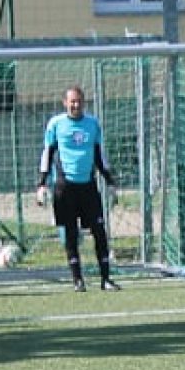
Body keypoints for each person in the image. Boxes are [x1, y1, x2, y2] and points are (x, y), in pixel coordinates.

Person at [35, 86, 119, 292]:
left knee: (99, 231)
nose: (76, 105)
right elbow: (47, 154)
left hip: (88, 187)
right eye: (72, 101)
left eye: (79, 101)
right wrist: (42, 184)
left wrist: (110, 182)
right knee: (71, 233)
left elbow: (99, 155)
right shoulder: (56, 124)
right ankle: (77, 280)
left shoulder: (92, 124)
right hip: (65, 188)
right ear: (65, 103)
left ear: (84, 102)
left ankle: (106, 279)